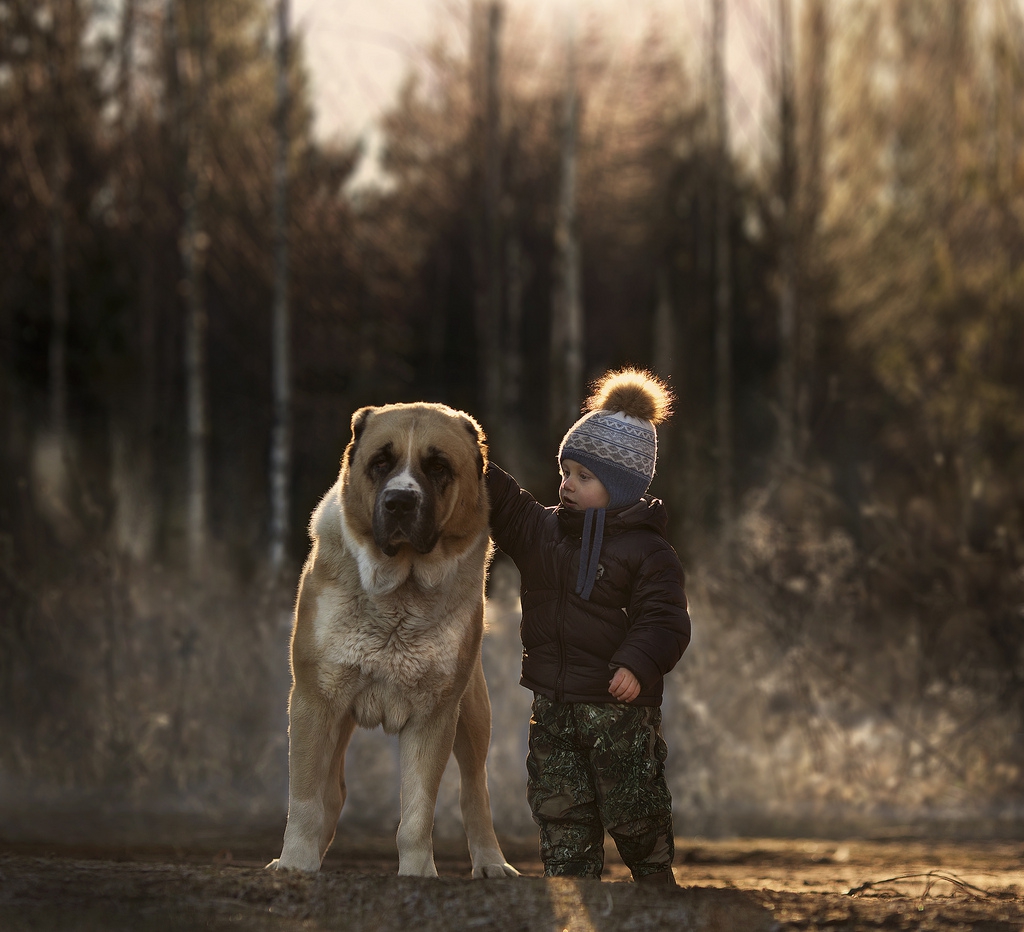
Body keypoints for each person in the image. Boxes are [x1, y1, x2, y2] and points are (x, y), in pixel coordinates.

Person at [487, 368, 691, 885]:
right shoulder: (544, 531)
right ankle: (572, 883)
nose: (566, 484)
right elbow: (508, 508)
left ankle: (653, 878)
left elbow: (664, 620)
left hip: (617, 708)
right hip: (553, 703)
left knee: (633, 805)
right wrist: (473, 461)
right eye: (566, 471)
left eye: (583, 476)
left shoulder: (648, 551)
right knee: (560, 803)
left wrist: (638, 664)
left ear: (620, 488)